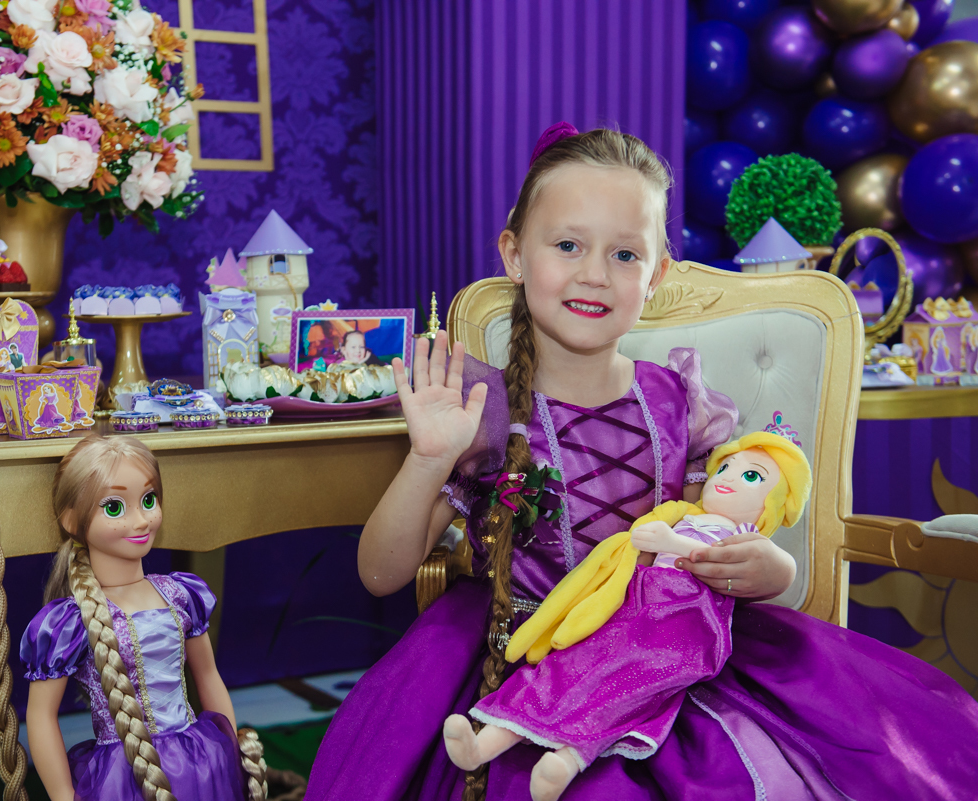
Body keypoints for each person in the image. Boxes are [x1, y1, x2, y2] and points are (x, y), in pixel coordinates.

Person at [305, 125, 978, 800]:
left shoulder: (681, 401)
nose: (595, 274)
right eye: (568, 245)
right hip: (520, 651)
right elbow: (380, 574)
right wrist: (429, 459)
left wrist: (772, 568)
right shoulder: (478, 407)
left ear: (655, 276)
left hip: (666, 653)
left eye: (625, 254)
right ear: (515, 254)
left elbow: (720, 532)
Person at [443, 421, 811, 801]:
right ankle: (483, 744)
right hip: (635, 607)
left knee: (624, 687)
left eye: (751, 476)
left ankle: (567, 762)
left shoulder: (743, 535)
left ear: (774, 504)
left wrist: (672, 542)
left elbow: (715, 560)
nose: (728, 477)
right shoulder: (682, 514)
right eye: (726, 467)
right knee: (568, 667)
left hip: (685, 623)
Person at [21, 435, 245, 801]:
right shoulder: (71, 622)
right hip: (124, 776)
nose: (141, 520)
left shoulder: (180, 595)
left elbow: (208, 676)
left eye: (149, 500)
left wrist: (231, 756)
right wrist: (62, 793)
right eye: (114, 507)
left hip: (198, 762)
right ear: (71, 519)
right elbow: (41, 716)